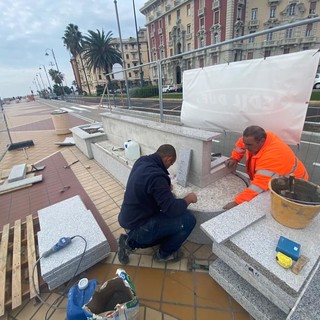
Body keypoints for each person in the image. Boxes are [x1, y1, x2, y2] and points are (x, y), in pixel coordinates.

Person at [117, 144, 197, 265]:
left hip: (129, 218)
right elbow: (172, 209)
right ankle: (162, 254)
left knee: (168, 220)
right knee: (188, 219)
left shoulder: (142, 161)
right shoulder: (157, 177)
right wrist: (188, 199)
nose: (169, 167)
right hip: (137, 227)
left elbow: (147, 185)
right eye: (170, 164)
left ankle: (135, 239)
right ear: (168, 159)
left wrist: (164, 187)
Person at [223, 125, 308, 210]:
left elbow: (258, 185)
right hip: (281, 176)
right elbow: (242, 143)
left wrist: (237, 202)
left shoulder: (272, 156)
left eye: (249, 145)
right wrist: (234, 158)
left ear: (261, 141)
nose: (245, 147)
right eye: (245, 143)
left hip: (293, 184)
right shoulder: (258, 138)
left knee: (281, 208)